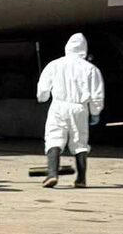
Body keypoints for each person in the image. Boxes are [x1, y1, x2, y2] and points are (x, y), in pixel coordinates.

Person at [36, 33, 105, 188]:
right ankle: (81, 179)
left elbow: (43, 88)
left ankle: (52, 174)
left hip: (58, 106)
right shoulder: (91, 69)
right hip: (79, 108)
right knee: (80, 142)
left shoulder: (54, 65)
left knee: (54, 138)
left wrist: (43, 97)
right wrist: (95, 112)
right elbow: (97, 94)